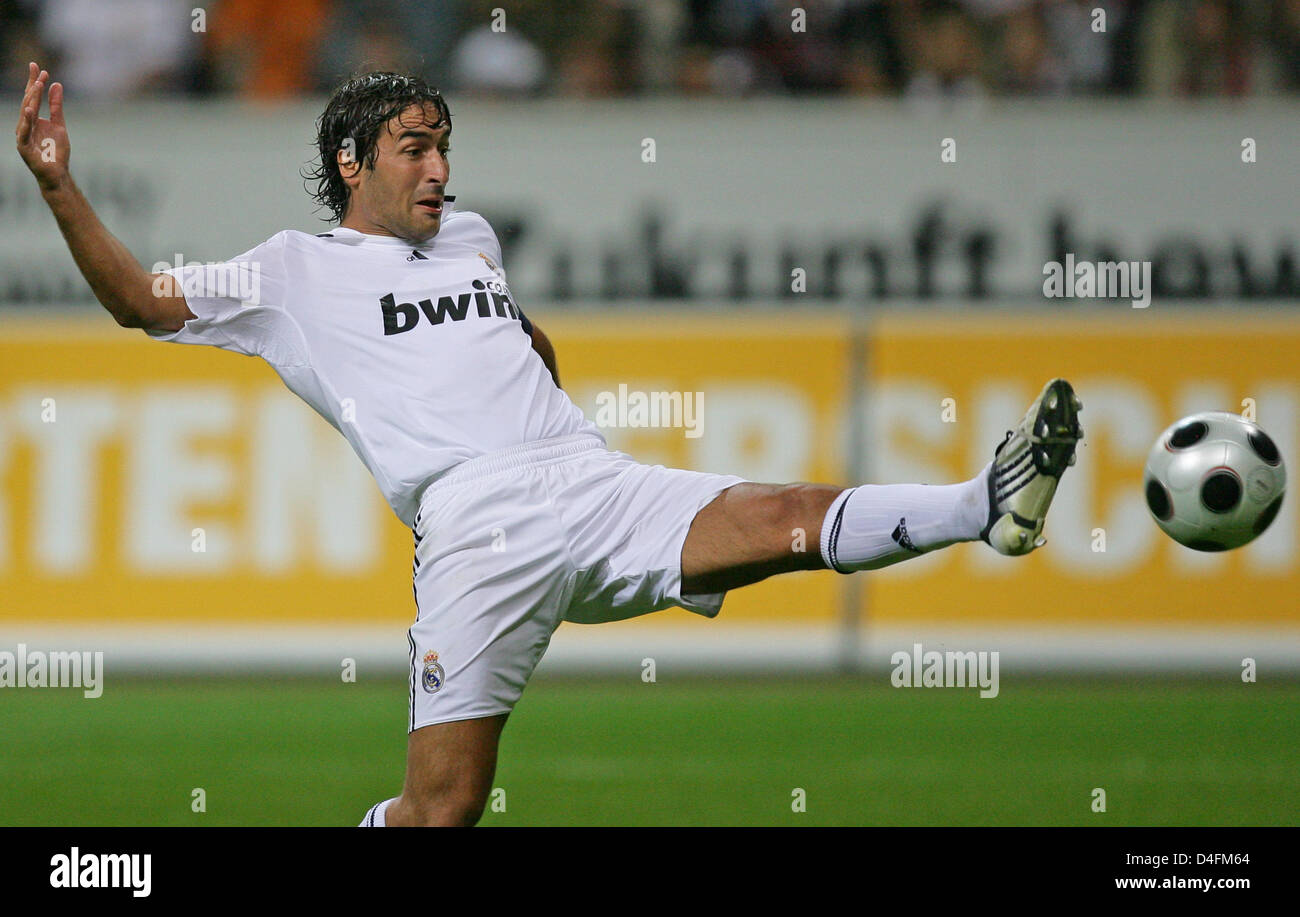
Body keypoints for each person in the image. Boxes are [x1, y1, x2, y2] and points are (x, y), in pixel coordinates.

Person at [16, 65, 1083, 827]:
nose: (439, 168)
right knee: (444, 809)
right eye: (415, 147)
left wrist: (543, 391)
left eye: (445, 146)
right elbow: (137, 300)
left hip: (586, 477)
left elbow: (517, 334)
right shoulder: (293, 271)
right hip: (474, 522)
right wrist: (59, 182)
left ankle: (984, 504)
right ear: (352, 163)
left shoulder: (470, 236)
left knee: (785, 515)